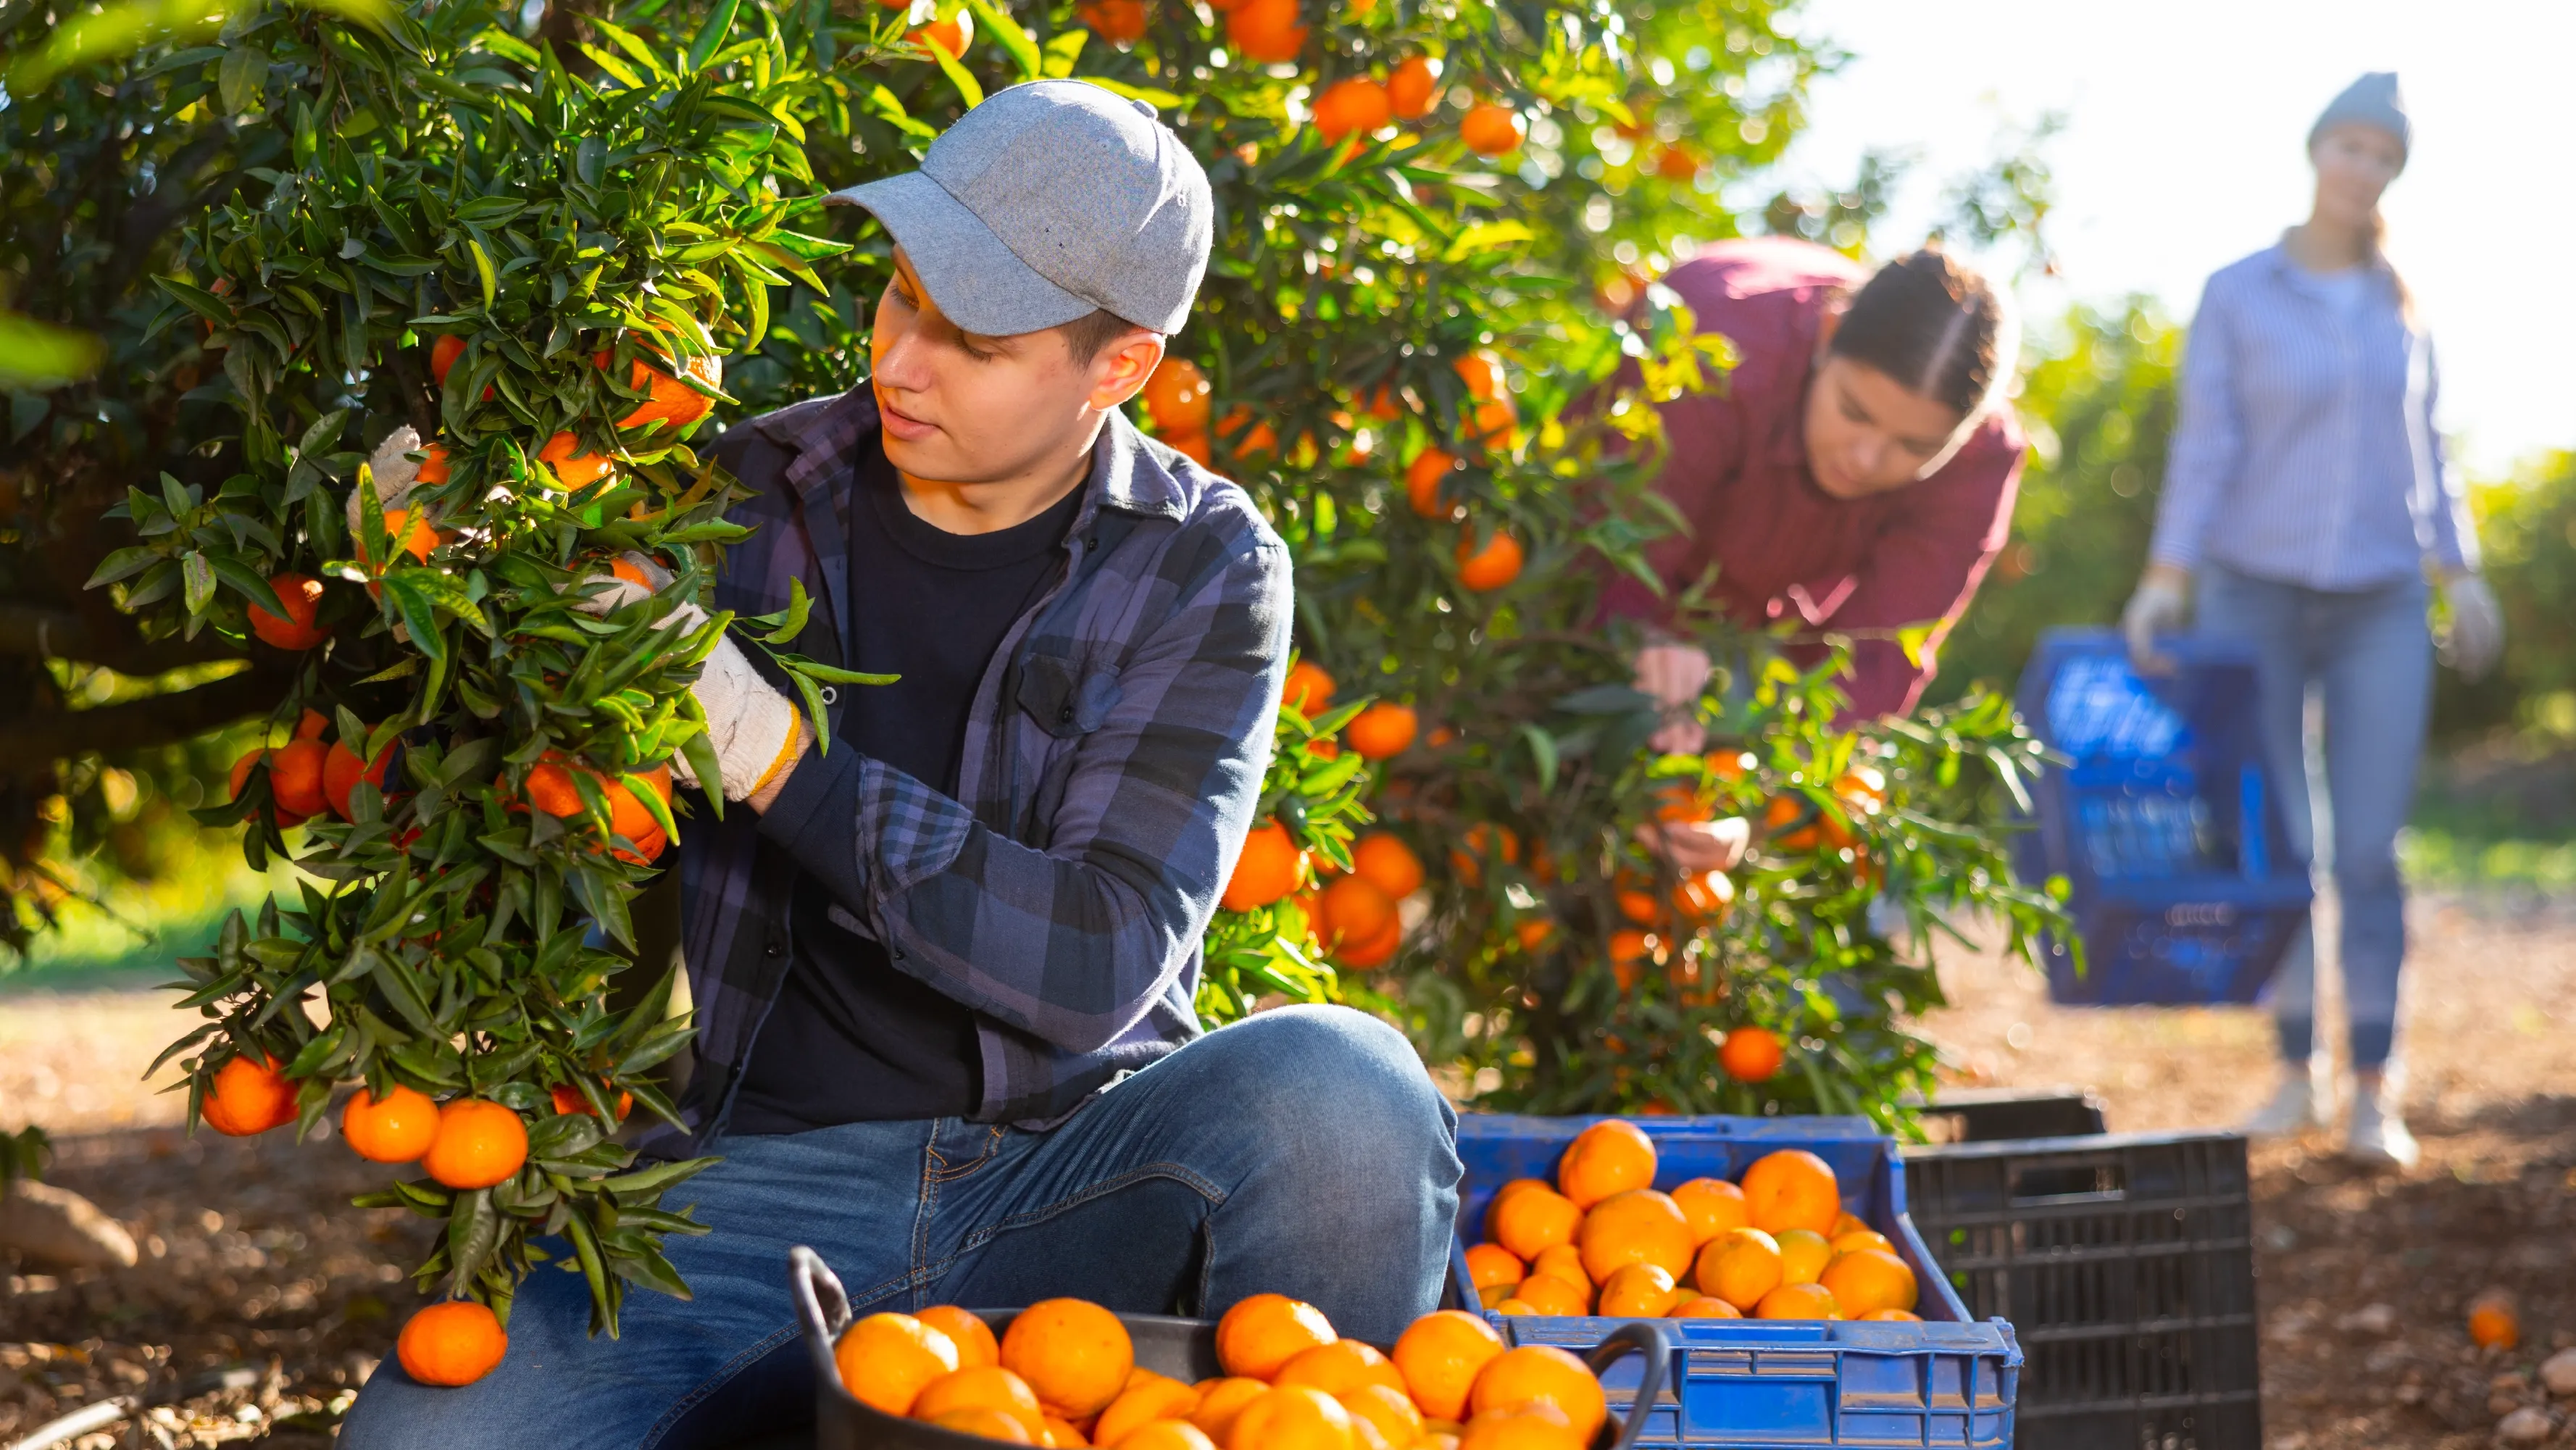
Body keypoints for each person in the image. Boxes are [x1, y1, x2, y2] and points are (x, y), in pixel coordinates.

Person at [341, 80, 1460, 1448]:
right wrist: (460, 577)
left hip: (1075, 1178)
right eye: (902, 295)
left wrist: (773, 757)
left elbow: (1097, 958)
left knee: (1343, 1093)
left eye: (975, 336)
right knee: (427, 1443)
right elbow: (532, 822)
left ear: (1118, 368)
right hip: (760, 1186)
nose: (903, 359)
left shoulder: (1203, 565)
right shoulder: (740, 492)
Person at [2120, 74, 2499, 1170]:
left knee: (2369, 850)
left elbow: (2427, 449)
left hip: (2380, 597)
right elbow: (2204, 445)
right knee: (2282, 841)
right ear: (2313, 152)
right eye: (2345, 145)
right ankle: (2295, 1072)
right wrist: (2164, 573)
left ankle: (2375, 1087)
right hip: (2253, 591)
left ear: (2391, 172)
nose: (2359, 168)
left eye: (2380, 154)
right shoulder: (2238, 292)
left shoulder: (2398, 302)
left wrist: (2456, 571)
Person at [1606, 238, 2024, 869]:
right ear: (1828, 335)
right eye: (1853, 412)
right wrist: (1643, 636)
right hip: (1621, 571)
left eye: (1914, 446)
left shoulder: (1979, 463)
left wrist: (1759, 801)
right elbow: (1607, 541)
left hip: (1759, 635)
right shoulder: (1714, 344)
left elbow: (1876, 659)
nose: (1865, 459)